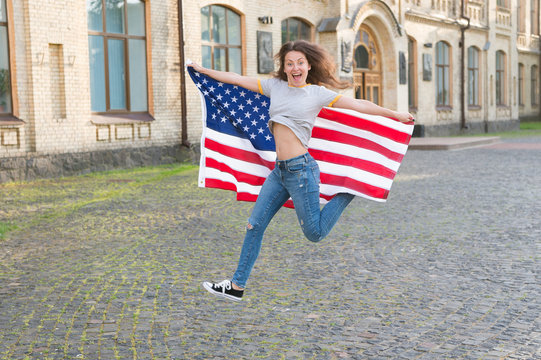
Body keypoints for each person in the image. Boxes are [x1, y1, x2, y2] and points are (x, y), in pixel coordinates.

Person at [189, 40, 414, 301]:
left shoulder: (317, 94)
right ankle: (237, 286)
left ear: (308, 66)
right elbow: (237, 80)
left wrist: (394, 114)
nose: (295, 67)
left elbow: (359, 105)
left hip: (301, 171)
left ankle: (348, 191)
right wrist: (203, 71)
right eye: (289, 63)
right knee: (254, 225)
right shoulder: (274, 87)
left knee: (314, 233)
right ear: (284, 68)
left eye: (300, 63)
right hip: (279, 173)